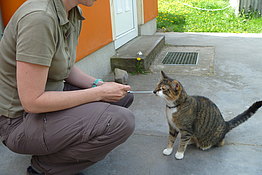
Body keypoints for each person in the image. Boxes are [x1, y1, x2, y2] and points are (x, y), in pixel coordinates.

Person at [0, 0, 135, 174]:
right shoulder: (40, 18)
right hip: (18, 121)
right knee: (121, 121)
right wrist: (99, 93)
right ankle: (46, 166)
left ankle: (55, 143)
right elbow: (32, 102)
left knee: (123, 96)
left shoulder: (72, 12)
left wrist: (99, 84)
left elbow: (65, 67)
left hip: (49, 97)